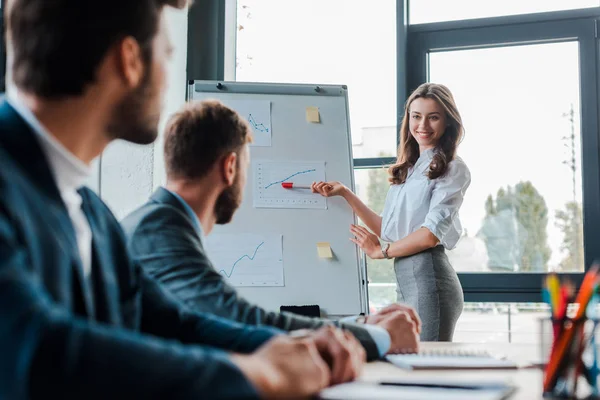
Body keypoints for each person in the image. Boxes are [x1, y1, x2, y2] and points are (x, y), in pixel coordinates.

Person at [0, 0, 366, 398]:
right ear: (129, 61)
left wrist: (301, 348)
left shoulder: (93, 214)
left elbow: (174, 323)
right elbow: (35, 350)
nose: (167, 76)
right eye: (167, 55)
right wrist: (258, 374)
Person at [121, 99, 421, 361]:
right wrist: (379, 338)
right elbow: (236, 319)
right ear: (230, 167)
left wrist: (363, 323)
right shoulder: (161, 231)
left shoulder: (159, 222)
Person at [312, 83, 471, 341]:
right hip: (408, 278)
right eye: (416, 116)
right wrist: (346, 193)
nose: (423, 125)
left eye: (433, 117)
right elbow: (390, 230)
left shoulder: (453, 168)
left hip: (430, 278)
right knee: (411, 362)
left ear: (448, 122)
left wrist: (381, 252)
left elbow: (430, 235)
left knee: (427, 368)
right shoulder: (411, 168)